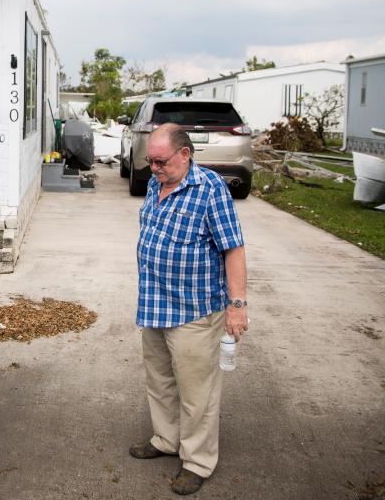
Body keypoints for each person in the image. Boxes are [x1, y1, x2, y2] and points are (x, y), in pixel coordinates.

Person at [128, 123, 248, 496]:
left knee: (198, 393)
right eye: (151, 161)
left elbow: (234, 248)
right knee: (160, 381)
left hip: (194, 310)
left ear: (185, 154)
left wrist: (237, 305)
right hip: (155, 303)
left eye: (161, 161)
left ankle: (197, 461)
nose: (154, 168)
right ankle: (166, 439)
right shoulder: (155, 183)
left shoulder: (210, 190)